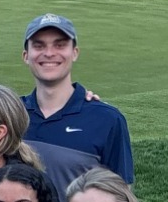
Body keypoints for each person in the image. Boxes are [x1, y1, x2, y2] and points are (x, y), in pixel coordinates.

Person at [22, 14, 134, 181]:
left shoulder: (107, 120)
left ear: (75, 53)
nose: (49, 53)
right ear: (26, 56)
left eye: (60, 45)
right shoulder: (9, 114)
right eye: (39, 46)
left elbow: (122, 196)